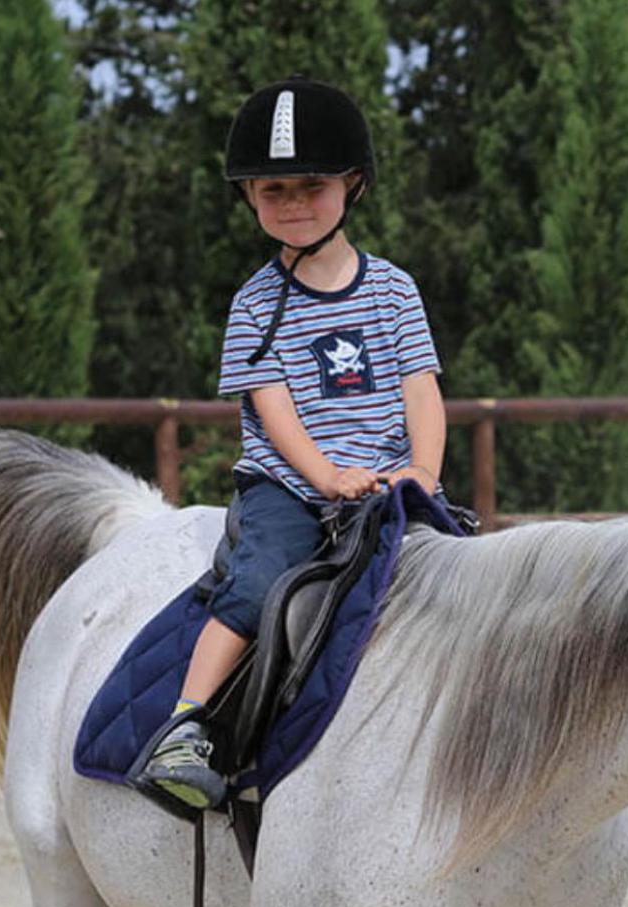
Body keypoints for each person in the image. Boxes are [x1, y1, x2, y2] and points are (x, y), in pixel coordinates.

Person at [133, 75, 445, 811]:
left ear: (353, 184)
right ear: (249, 198)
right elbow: (273, 410)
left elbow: (421, 387)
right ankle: (188, 725)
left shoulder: (395, 290)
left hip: (392, 479)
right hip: (289, 485)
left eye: (312, 185)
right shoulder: (253, 304)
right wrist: (326, 476)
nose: (295, 203)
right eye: (274, 190)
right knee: (259, 581)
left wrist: (424, 471)